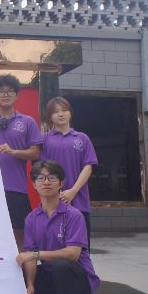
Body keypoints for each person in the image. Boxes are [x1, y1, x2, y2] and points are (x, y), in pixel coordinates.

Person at [16, 160, 100, 294]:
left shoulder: (73, 215)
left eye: (52, 178)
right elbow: (30, 257)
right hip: (51, 277)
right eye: (41, 178)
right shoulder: (32, 218)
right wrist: (30, 285)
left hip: (78, 279)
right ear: (34, 184)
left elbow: (73, 254)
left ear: (61, 183)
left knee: (61, 265)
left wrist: (36, 254)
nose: (46, 182)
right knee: (14, 272)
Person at [0, 74, 42, 251]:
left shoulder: (27, 122)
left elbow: (36, 152)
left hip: (16, 189)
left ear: (16, 95)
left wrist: (14, 152)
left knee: (20, 236)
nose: (6, 94)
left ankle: (23, 270)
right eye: (1, 91)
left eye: (10, 91)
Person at [40, 97, 98, 247]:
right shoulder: (44, 140)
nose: (61, 114)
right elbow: (43, 170)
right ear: (49, 116)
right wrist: (57, 193)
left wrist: (73, 191)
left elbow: (88, 167)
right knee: (55, 246)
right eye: (55, 112)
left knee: (81, 247)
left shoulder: (82, 138)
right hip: (53, 202)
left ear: (70, 113)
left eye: (64, 110)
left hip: (80, 201)